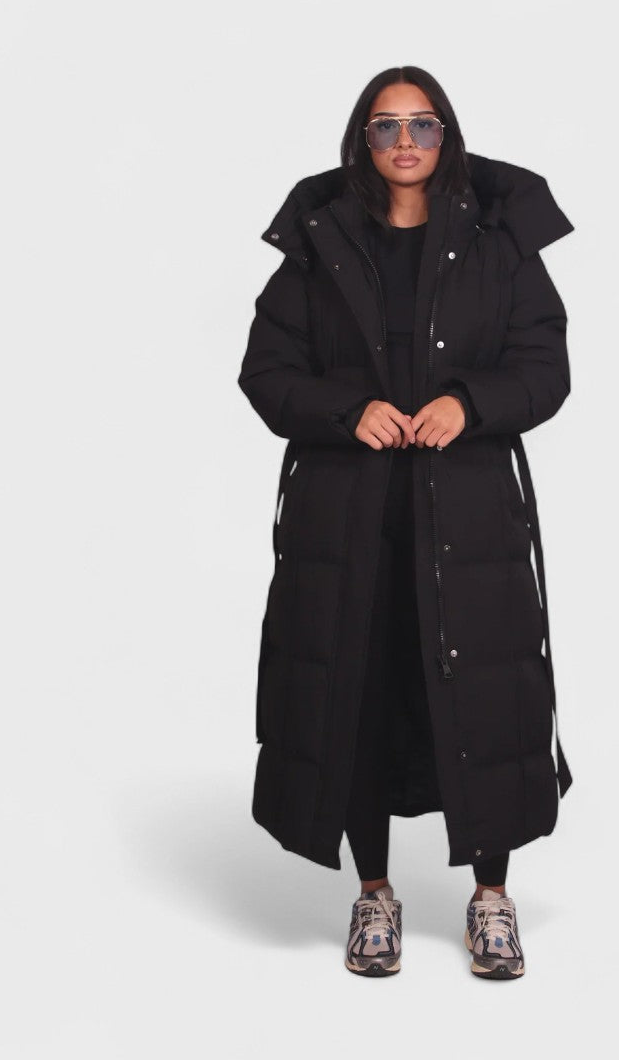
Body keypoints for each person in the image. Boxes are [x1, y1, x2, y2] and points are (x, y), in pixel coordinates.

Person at [238, 66, 575, 980]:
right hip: (346, 516)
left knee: (487, 695)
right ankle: (374, 894)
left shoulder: (499, 237)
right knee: (358, 688)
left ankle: (491, 898)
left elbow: (545, 364)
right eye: (386, 126)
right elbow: (267, 372)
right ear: (364, 138)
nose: (405, 142)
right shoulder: (320, 239)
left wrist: (471, 402)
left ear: (446, 135)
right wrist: (346, 412)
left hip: (468, 512)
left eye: (423, 125)